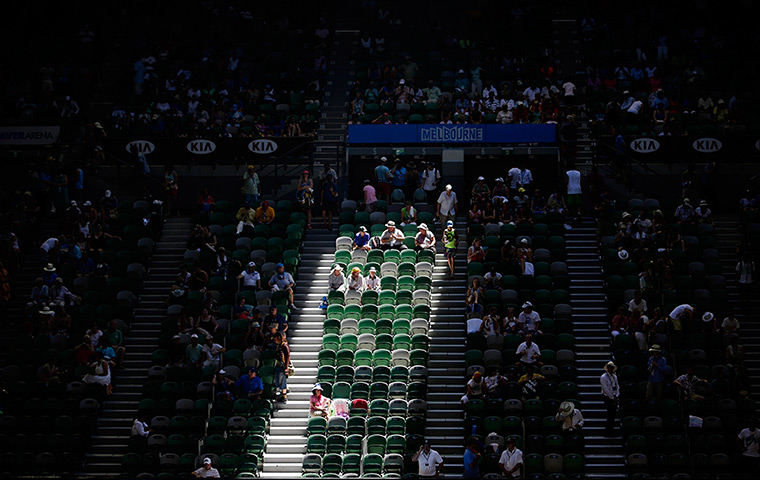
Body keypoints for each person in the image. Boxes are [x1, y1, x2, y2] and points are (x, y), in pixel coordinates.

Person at [600, 361, 620, 432]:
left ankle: (611, 429)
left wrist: (616, 395)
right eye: (609, 367)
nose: (610, 369)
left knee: (613, 414)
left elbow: (617, 386)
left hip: (614, 396)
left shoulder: (614, 376)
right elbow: (605, 389)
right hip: (607, 397)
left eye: (612, 368)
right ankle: (608, 430)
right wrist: (612, 397)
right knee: (610, 414)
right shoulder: (603, 377)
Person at [273, 332, 290, 402]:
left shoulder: (284, 346)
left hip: (283, 366)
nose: (274, 340)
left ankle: (284, 395)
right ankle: (279, 394)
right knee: (278, 380)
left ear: (279, 338)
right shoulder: (278, 346)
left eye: (275, 339)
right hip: (278, 365)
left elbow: (288, 356)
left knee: (283, 380)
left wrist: (286, 367)